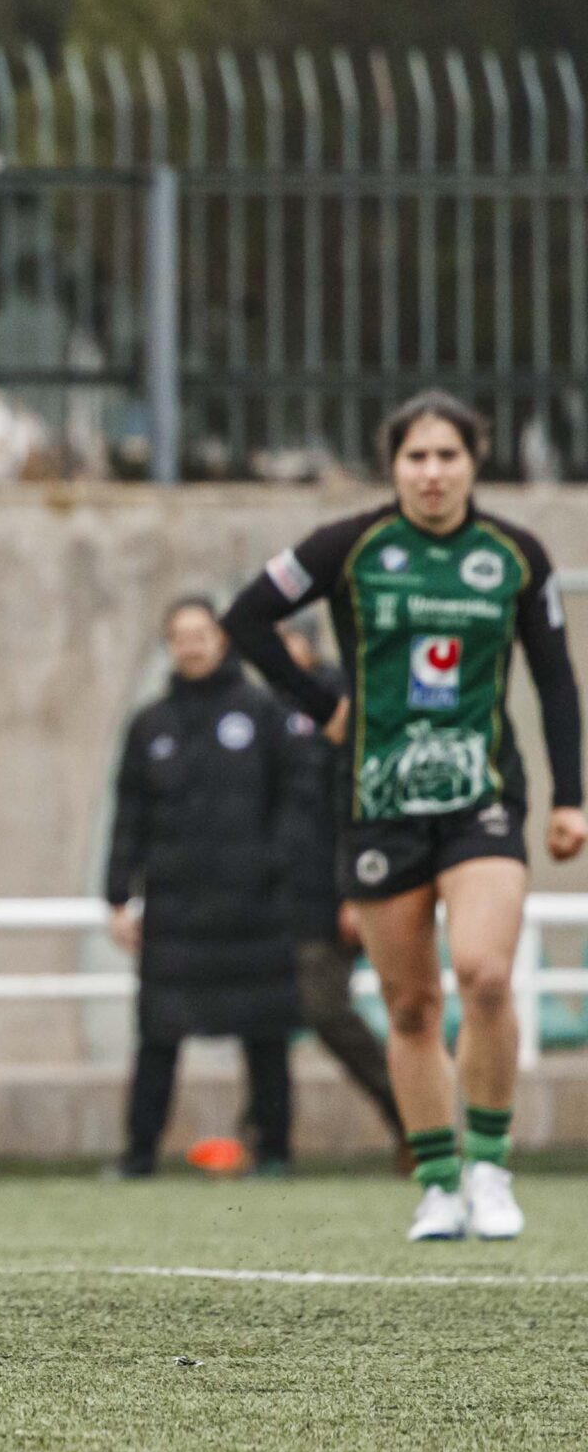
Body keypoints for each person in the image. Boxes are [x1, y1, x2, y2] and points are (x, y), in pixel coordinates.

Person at [223, 390, 583, 1242]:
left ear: (474, 462)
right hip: (379, 805)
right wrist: (323, 703)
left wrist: (571, 797)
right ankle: (438, 1180)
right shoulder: (350, 547)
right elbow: (247, 616)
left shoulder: (516, 555)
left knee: (486, 972)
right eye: (416, 457)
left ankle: (491, 1167)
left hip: (481, 798)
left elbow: (558, 680)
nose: (431, 472)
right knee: (411, 1004)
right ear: (394, 466)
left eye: (447, 456)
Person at [104, 597, 307, 1177]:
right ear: (171, 646)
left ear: (221, 641)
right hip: (175, 909)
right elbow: (129, 816)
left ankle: (275, 1152)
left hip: (256, 908)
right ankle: (139, 1155)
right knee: (157, 1037)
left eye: (202, 634)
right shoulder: (150, 724)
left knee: (267, 1036)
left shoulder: (263, 712)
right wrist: (119, 896)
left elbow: (296, 802)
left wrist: (276, 867)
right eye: (181, 636)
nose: (192, 645)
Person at [274, 619, 408, 1163]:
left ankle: (414, 1113)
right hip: (274, 892)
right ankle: (266, 1138)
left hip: (328, 892)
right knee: (267, 1018)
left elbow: (356, 802)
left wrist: (355, 889)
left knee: (325, 1007)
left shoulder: (339, 702)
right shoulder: (266, 708)